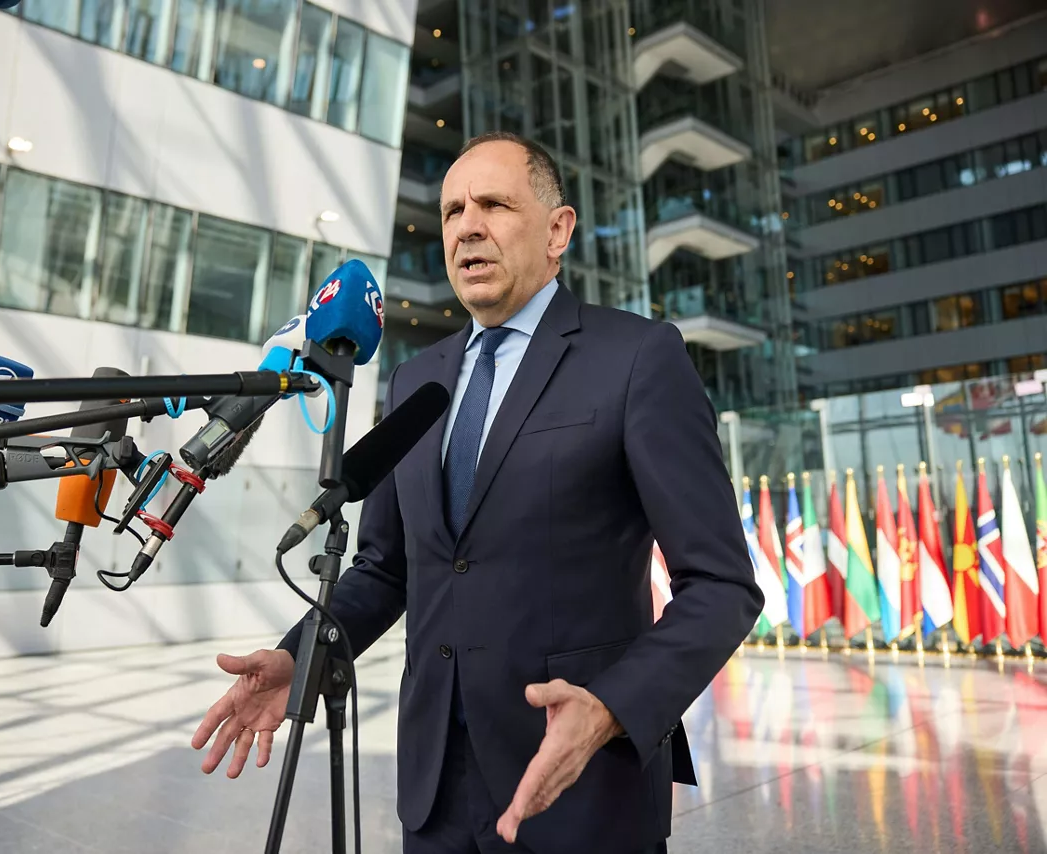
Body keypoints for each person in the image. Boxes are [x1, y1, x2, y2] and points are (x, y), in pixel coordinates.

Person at [192, 132, 763, 853]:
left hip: (580, 787)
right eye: (453, 210)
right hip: (435, 795)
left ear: (558, 231)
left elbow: (721, 585)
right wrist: (299, 656)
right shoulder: (415, 381)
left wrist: (612, 708)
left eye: (494, 204)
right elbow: (385, 567)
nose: (467, 225)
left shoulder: (638, 358)